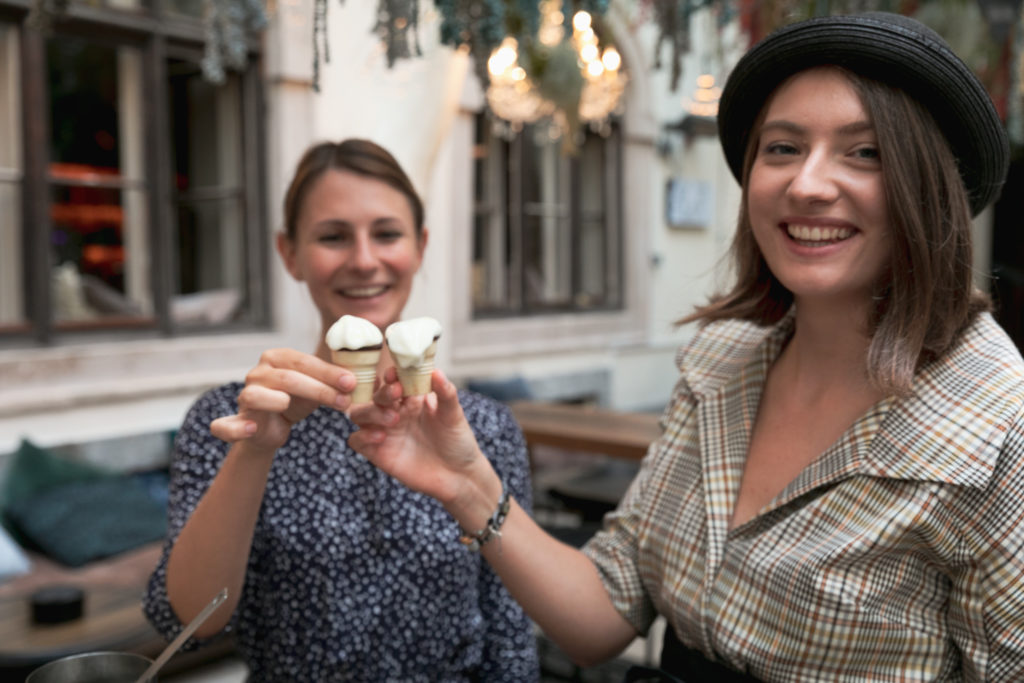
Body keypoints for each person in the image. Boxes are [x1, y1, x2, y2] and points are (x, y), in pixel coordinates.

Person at [335, 12, 1023, 682]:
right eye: (781, 148)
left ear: (931, 187)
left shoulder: (999, 422)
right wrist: (467, 485)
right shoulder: (722, 361)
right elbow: (604, 611)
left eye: (865, 151)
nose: (807, 184)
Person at [142, 139, 539, 682]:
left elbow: (510, 631)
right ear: (290, 253)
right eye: (332, 236)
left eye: (387, 233)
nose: (364, 260)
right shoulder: (229, 418)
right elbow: (187, 621)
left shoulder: (484, 428)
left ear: (420, 246)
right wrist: (255, 452)